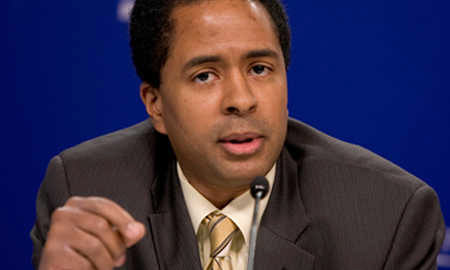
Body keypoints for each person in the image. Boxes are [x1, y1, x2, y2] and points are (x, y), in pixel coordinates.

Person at [31, 0, 446, 269]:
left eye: (260, 69)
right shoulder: (85, 188)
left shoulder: (388, 216)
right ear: (155, 103)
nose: (241, 100)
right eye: (205, 75)